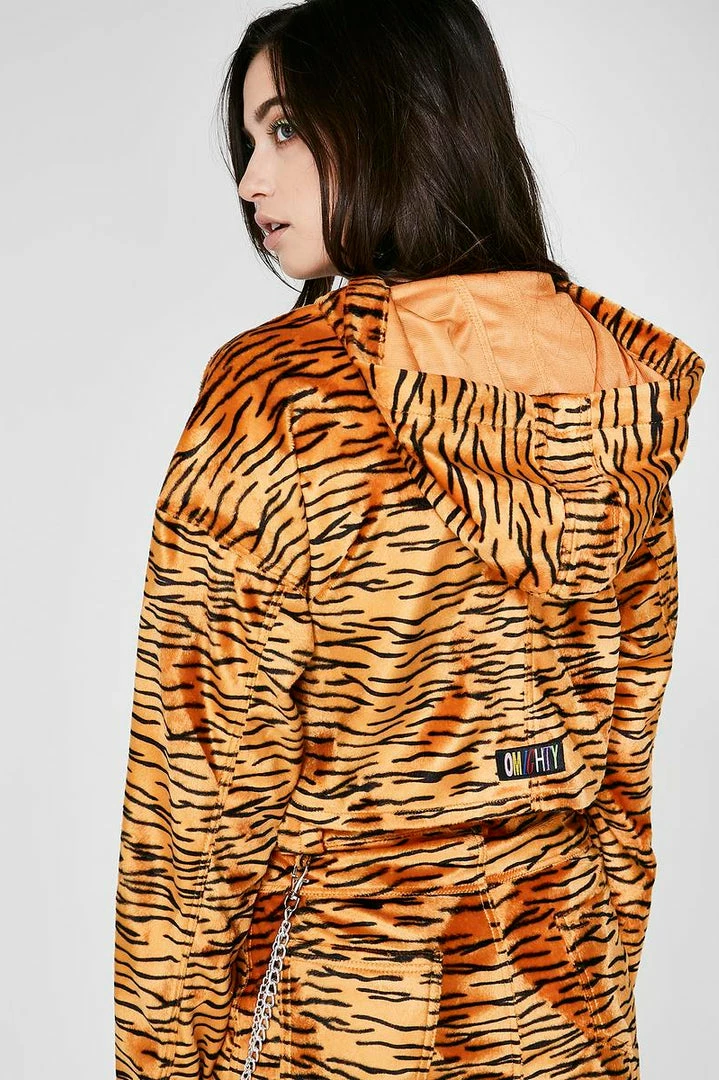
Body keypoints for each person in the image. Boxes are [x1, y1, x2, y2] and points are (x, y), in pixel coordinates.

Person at [113, 2, 705, 1078]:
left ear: (392, 118)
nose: (251, 179)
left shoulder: (279, 393)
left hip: (340, 1012)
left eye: (285, 128)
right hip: (561, 1010)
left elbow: (197, 802)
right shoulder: (608, 388)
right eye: (250, 140)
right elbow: (623, 786)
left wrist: (163, 1062)